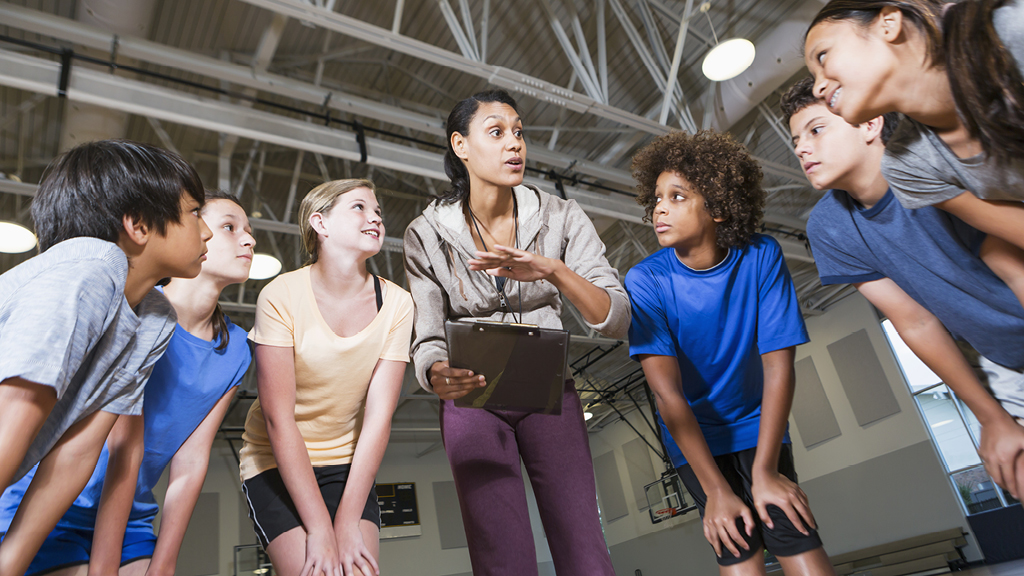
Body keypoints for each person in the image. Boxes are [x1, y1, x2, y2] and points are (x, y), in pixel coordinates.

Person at [403, 89, 630, 576]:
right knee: (499, 555)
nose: (515, 144)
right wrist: (435, 373)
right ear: (460, 146)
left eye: (520, 132)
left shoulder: (563, 217)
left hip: (548, 390)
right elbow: (426, 337)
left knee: (584, 548)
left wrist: (554, 272)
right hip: (472, 397)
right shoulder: (425, 234)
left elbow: (617, 317)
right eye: (497, 132)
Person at [782, 76, 1024, 501]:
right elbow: (914, 322)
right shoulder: (829, 227)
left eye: (816, 129)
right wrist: (990, 417)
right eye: (796, 139)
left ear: (870, 123)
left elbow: (1011, 263)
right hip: (1002, 358)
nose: (801, 147)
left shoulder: (931, 158)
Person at [0, 190, 255, 576]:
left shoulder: (236, 348)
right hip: (53, 499)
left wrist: (165, 561)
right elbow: (121, 447)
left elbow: (191, 461)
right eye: (229, 227)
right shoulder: (138, 309)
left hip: (131, 517)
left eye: (249, 230)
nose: (249, 239)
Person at [626, 130, 834, 576]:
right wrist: (715, 490)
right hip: (695, 442)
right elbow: (668, 398)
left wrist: (765, 471)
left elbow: (779, 367)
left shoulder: (761, 256)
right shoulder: (646, 281)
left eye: (677, 196)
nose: (659, 207)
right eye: (657, 198)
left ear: (719, 208)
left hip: (760, 430)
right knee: (739, 553)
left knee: (795, 534)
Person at [240, 179, 411, 576]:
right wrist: (319, 528)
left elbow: (378, 418)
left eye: (378, 212)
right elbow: (277, 419)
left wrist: (347, 521)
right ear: (321, 223)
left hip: (346, 463)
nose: (374, 217)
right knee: (317, 570)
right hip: (275, 461)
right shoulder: (279, 295)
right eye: (358, 207)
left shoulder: (399, 304)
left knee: (357, 570)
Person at [803, 0, 1024, 291]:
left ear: (889, 23)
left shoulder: (1011, 32)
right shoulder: (908, 166)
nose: (818, 87)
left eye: (822, 56)